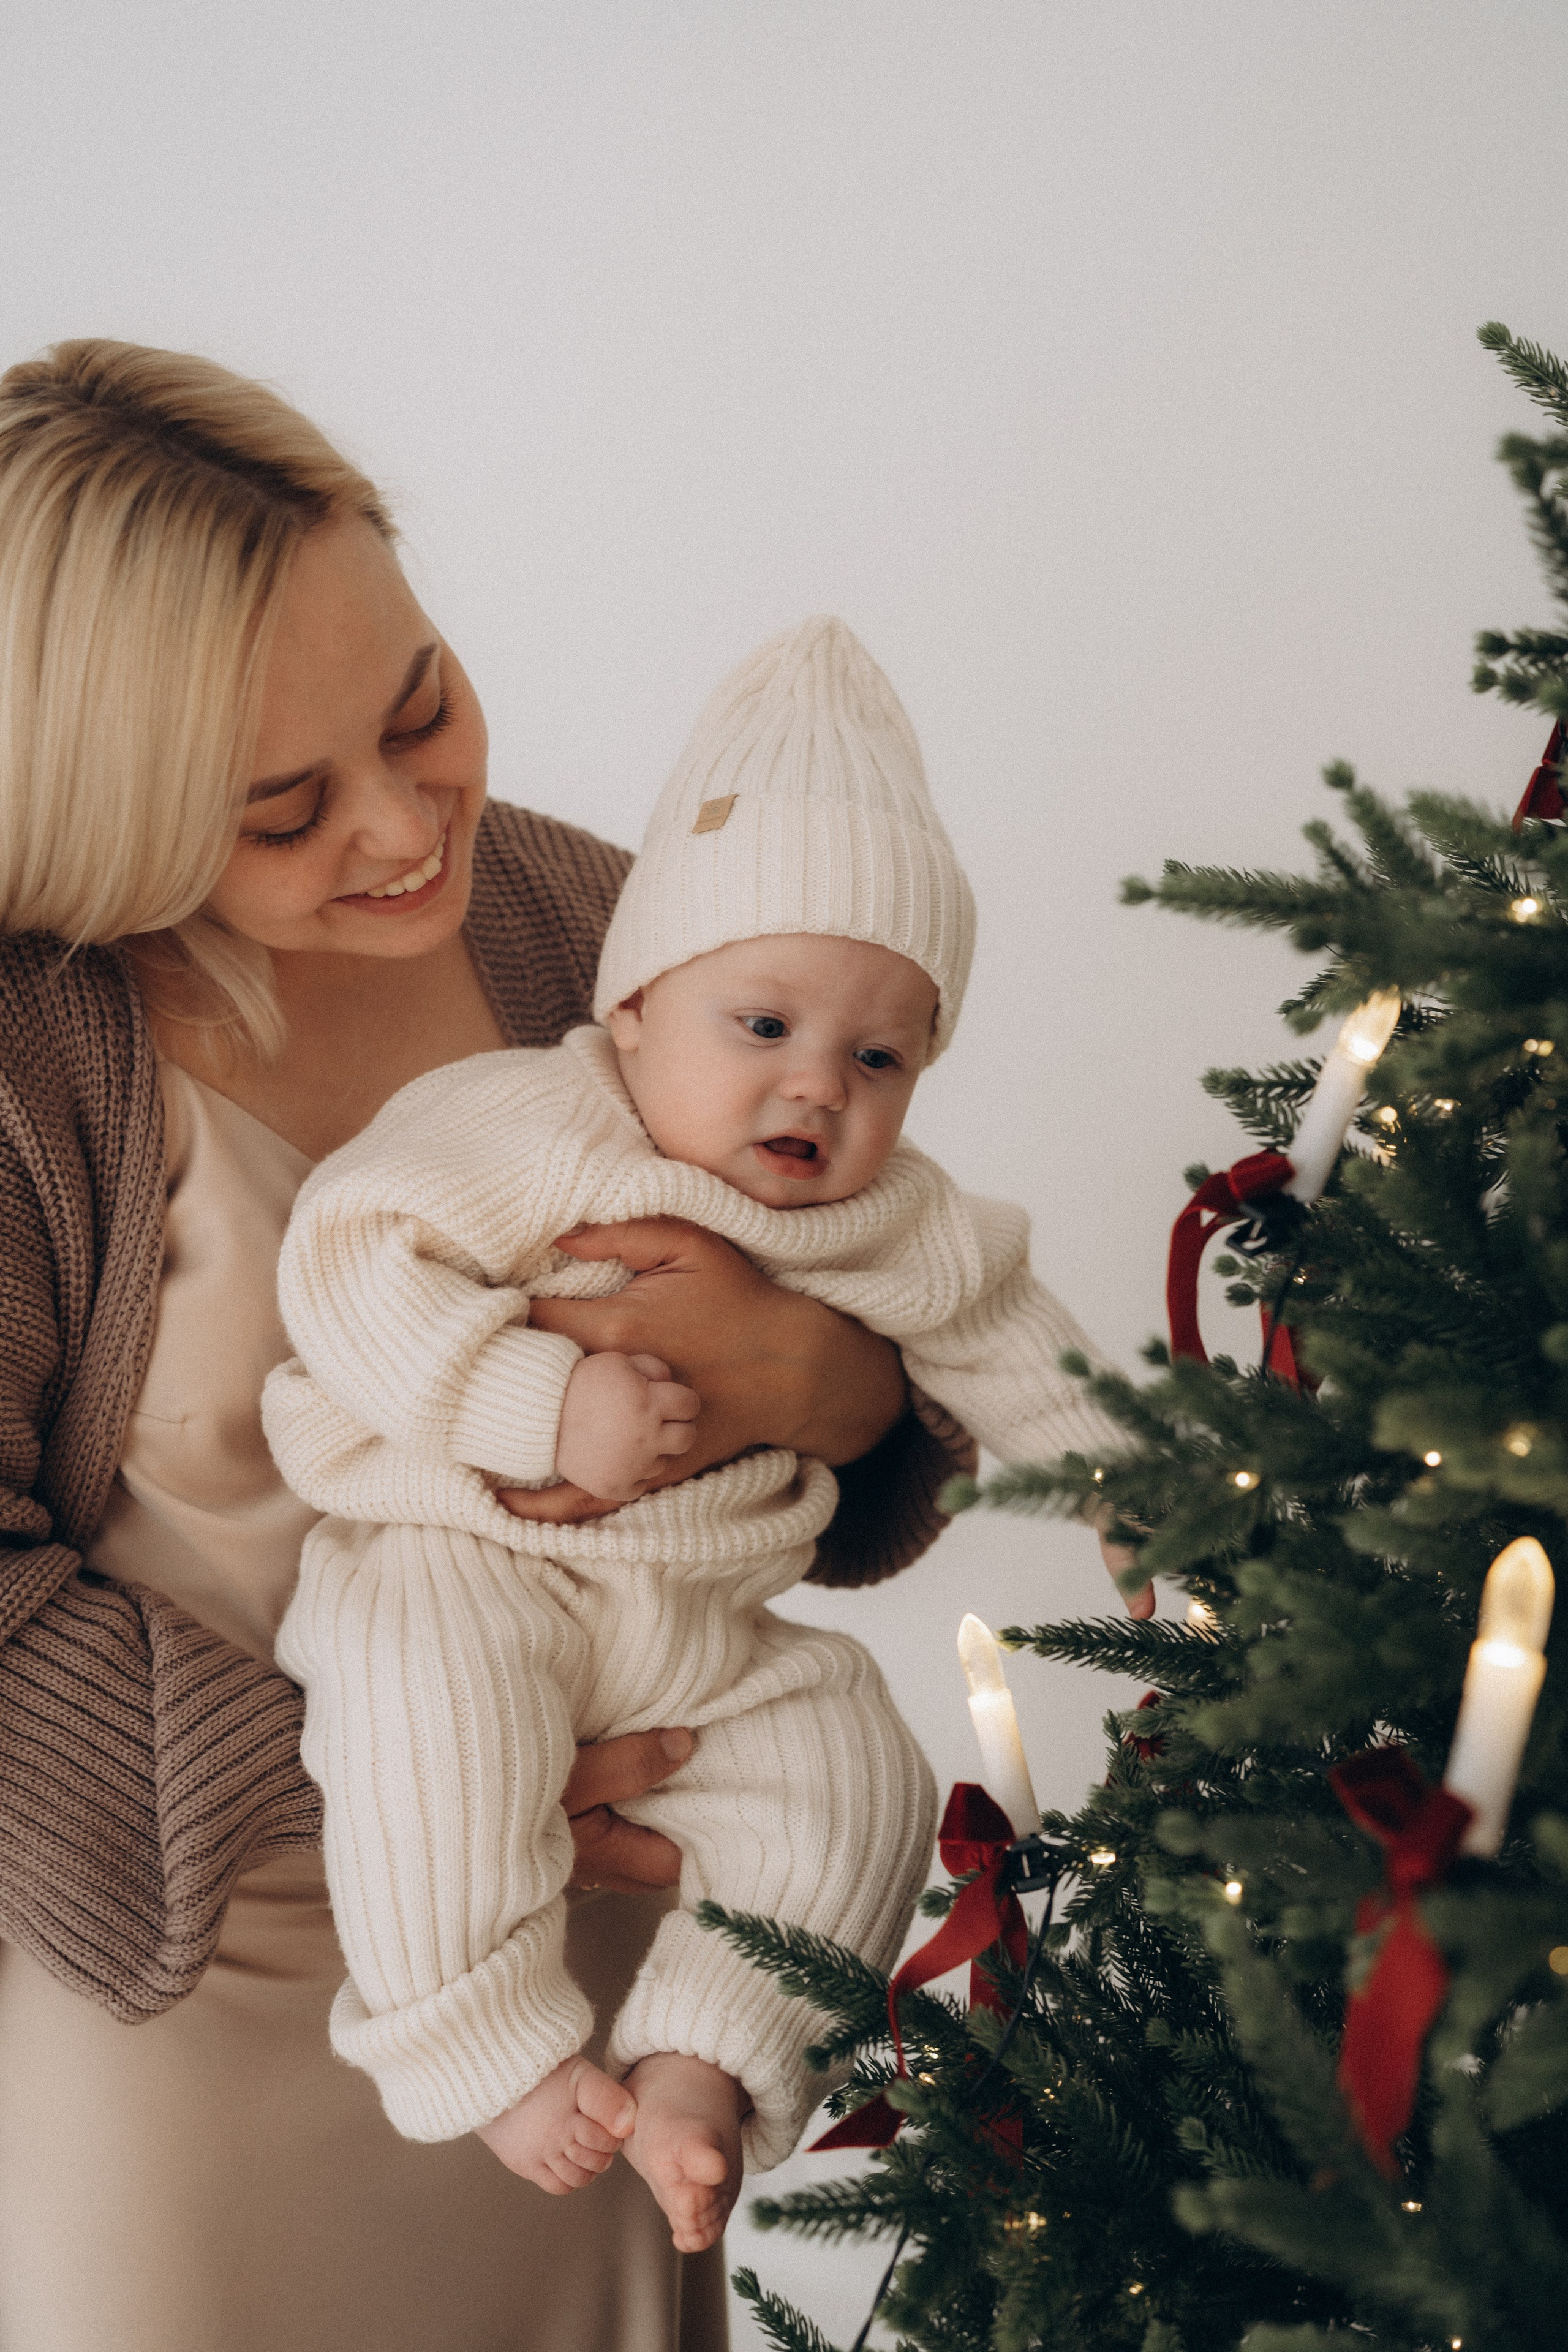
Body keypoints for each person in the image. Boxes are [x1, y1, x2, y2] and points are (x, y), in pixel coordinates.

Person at [0, 341, 1004, 2352]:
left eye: (420, 701)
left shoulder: (604, 932)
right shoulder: (36, 1061)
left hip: (609, 2009)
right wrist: (392, 1784)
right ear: (104, 817)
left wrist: (842, 1395)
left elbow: (903, 1299)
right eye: (284, 805)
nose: (401, 825)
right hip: (199, 1994)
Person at [261, 616, 1134, 2256]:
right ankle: (482, 2045)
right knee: (422, 1706)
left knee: (853, 1757)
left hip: (707, 1636)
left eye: (878, 1057)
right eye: (763, 1029)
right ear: (641, 1005)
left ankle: (707, 2062)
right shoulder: (537, 1125)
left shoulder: (895, 1214)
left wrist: (1140, 1488)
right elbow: (352, 1255)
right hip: (475, 1563)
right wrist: (535, 1398)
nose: (817, 1090)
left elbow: (1012, 1340)